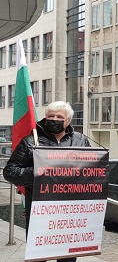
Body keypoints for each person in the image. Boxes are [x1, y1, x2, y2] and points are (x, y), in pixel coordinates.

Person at [3, 101, 90, 262]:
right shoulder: (30, 141)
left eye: (59, 116)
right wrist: (38, 173)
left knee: (67, 256)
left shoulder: (81, 141)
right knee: (38, 255)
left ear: (68, 121)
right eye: (50, 116)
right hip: (40, 209)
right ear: (45, 117)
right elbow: (10, 172)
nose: (54, 119)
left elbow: (91, 170)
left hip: (69, 212)